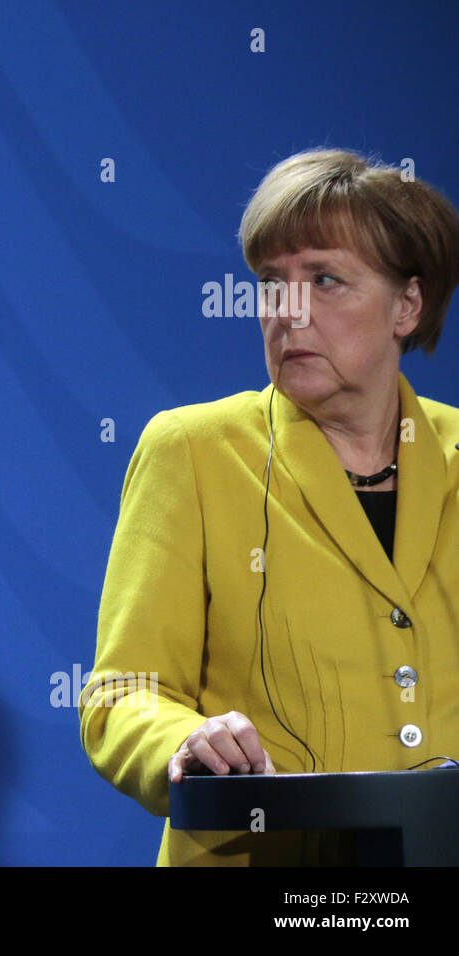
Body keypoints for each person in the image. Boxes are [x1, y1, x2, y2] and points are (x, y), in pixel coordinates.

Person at [80, 149, 459, 865]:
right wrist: (181, 743)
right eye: (271, 284)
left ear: (407, 305)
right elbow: (121, 695)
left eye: (325, 280)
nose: (288, 311)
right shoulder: (193, 451)